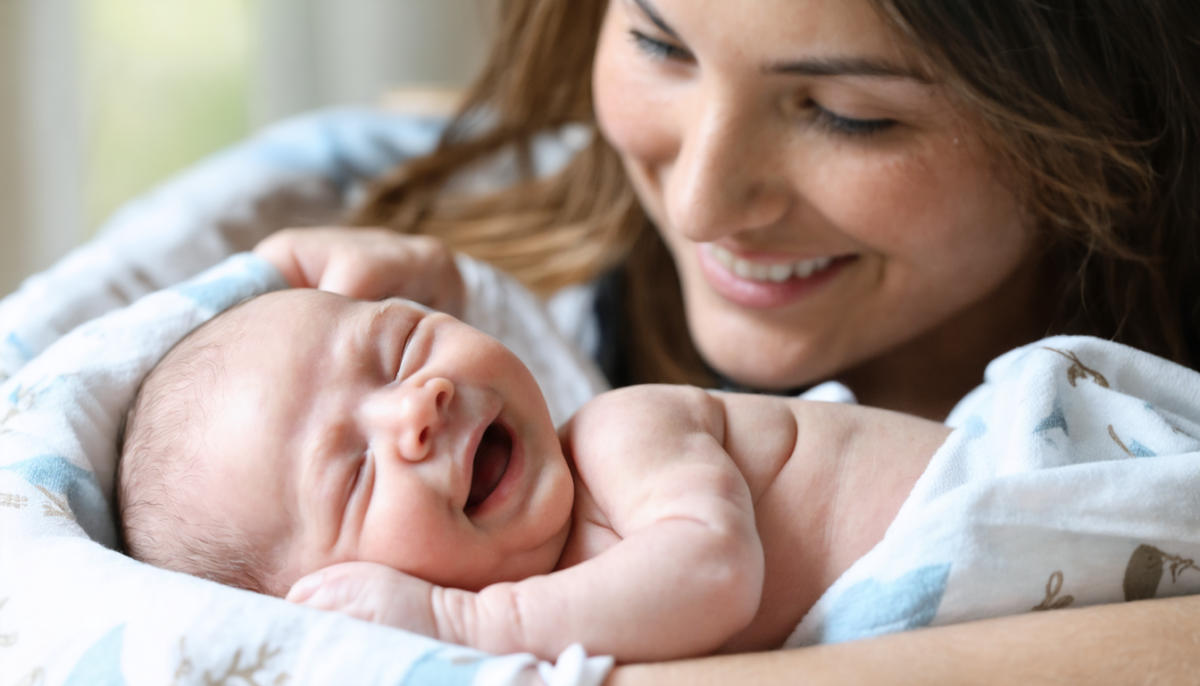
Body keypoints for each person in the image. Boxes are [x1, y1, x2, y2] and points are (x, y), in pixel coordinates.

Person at [293, 0, 1200, 680]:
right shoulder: (421, 278)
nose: (701, 205)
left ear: (1107, 108)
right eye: (658, 44)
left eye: (851, 112)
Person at [117, 230, 952, 663]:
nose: (420, 403)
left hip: (1014, 474)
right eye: (356, 474)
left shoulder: (622, 435)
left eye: (403, 346)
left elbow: (717, 571)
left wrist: (463, 619)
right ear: (338, 597)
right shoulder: (555, 630)